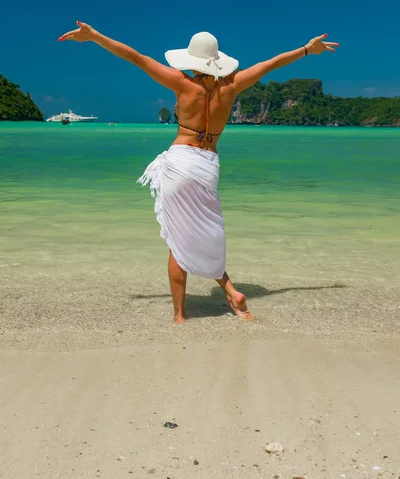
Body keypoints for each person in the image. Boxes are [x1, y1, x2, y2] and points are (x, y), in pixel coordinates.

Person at [58, 22, 339, 324]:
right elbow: (270, 64)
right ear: (216, 60)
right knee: (205, 233)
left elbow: (136, 57)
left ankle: (180, 316)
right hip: (208, 166)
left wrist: (95, 36)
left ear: (191, 60)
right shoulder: (233, 85)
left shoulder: (182, 84)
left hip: (181, 163)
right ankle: (231, 291)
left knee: (178, 243)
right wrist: (308, 49)